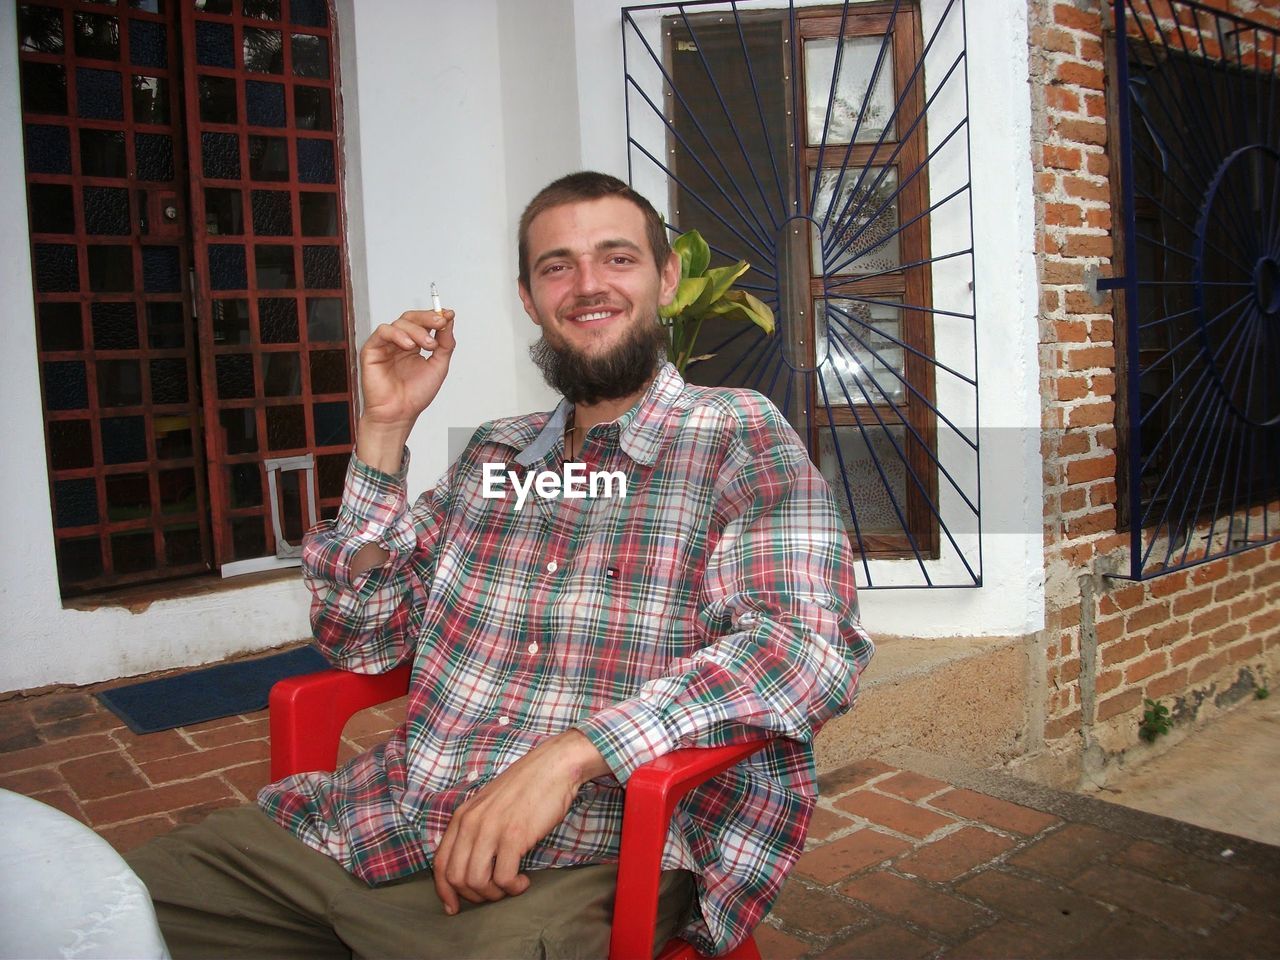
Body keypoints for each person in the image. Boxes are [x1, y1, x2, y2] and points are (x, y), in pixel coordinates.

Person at [126, 172, 873, 958]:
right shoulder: (496, 454)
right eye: (558, 266)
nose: (588, 285)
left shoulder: (735, 433)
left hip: (585, 860)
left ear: (667, 279)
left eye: (617, 258)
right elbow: (364, 639)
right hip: (372, 826)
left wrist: (571, 757)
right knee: (108, 912)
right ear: (529, 296)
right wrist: (383, 434)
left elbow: (805, 647)